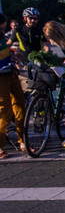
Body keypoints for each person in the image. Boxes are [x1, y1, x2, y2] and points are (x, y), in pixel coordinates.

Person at [0, 13, 25, 158]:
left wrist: (12, 54)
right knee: (5, 111)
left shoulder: (3, 38)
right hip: (1, 78)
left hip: (11, 74)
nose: (3, 32)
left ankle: (22, 141)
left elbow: (6, 51)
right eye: (1, 29)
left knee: (21, 107)